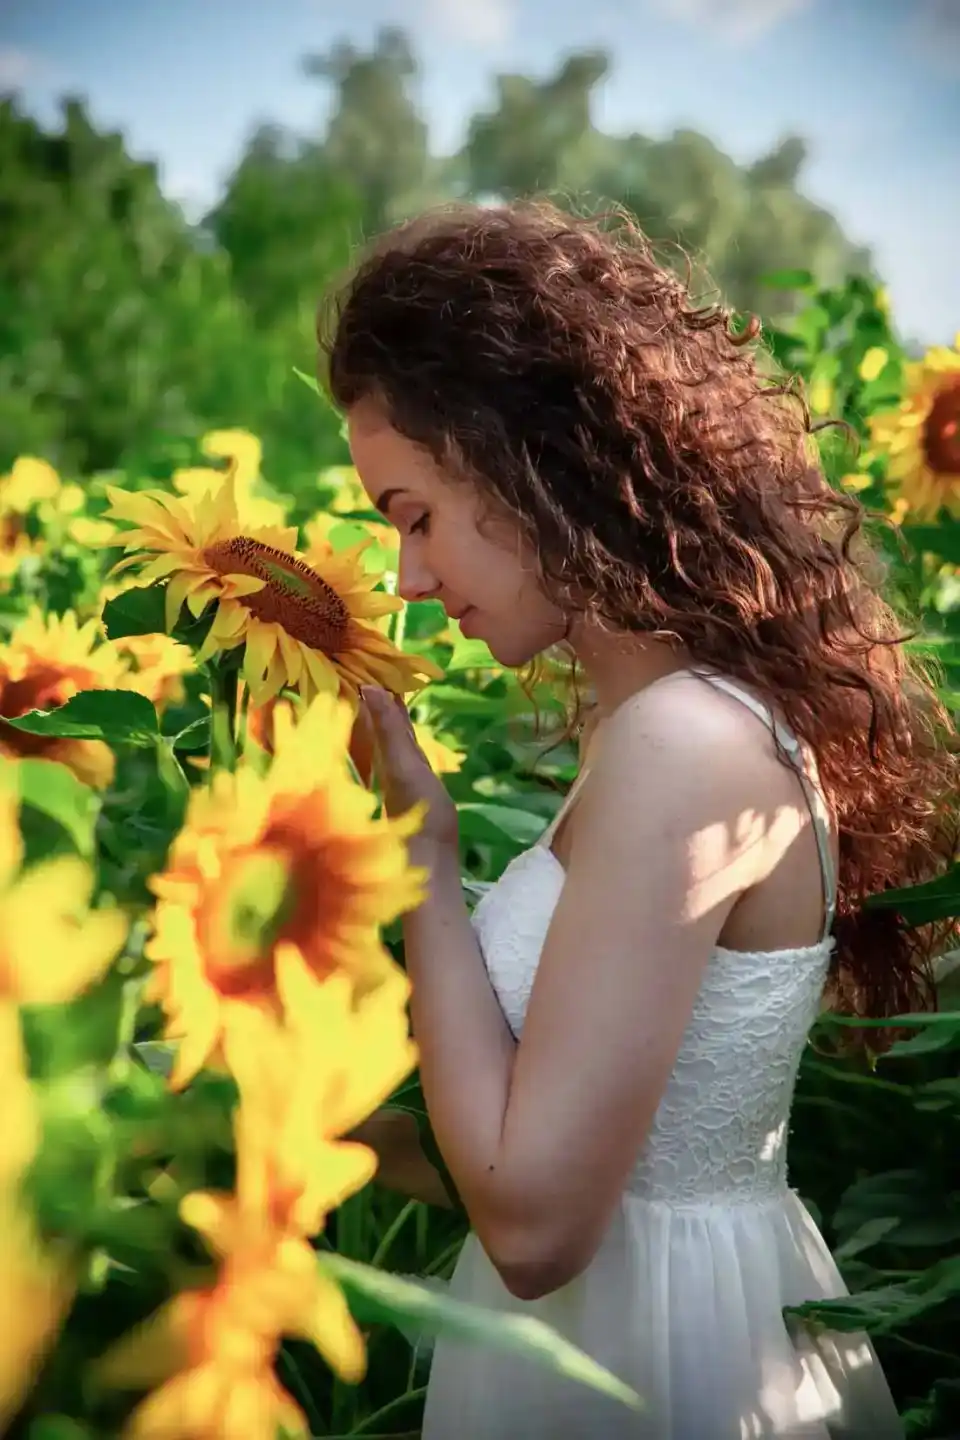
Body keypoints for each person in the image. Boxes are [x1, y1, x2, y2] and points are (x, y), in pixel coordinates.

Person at [321, 200, 959, 1439]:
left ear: (531, 466)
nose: (404, 578)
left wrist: (424, 855)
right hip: (633, 1334)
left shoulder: (683, 746)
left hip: (659, 1372)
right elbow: (506, 1151)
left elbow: (536, 1224)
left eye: (414, 516)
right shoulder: (664, 730)